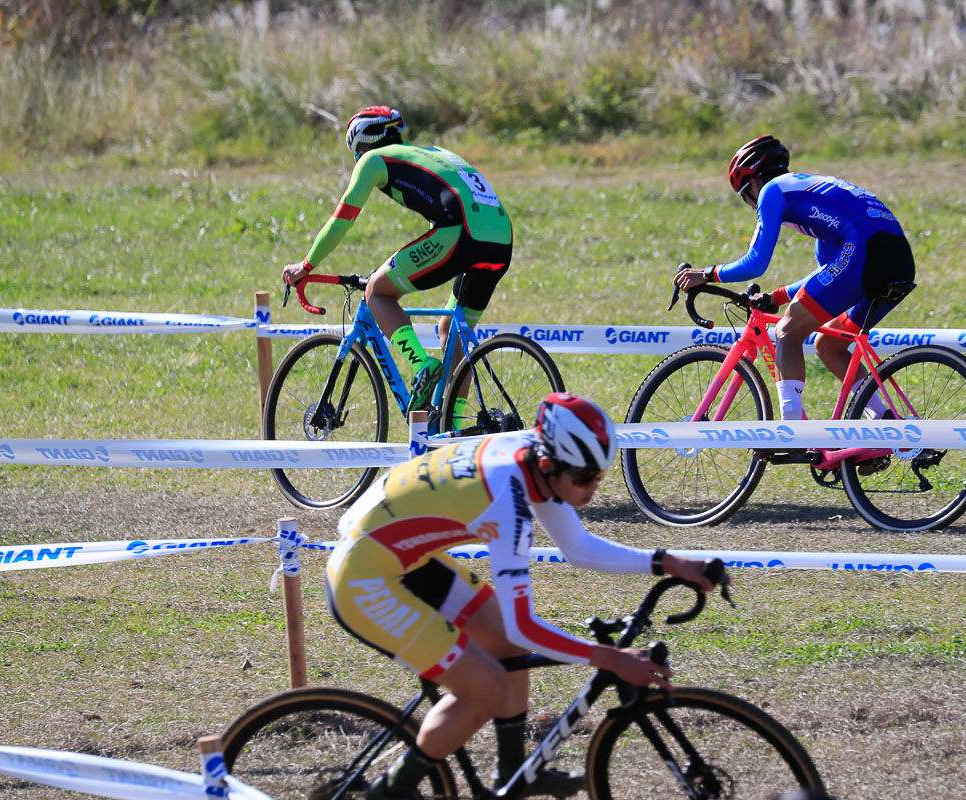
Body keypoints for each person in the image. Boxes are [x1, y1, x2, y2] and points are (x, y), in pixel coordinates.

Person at [325, 392, 725, 800]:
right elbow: (526, 626)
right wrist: (609, 658)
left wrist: (668, 562)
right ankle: (388, 792)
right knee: (489, 689)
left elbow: (578, 547)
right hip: (365, 580)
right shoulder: (507, 501)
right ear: (551, 465)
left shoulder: (528, 455)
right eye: (585, 478)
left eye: (598, 477)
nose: (592, 489)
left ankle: (514, 775)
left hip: (403, 556)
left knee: (506, 646)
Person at [282, 105, 514, 416]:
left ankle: (422, 365)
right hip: (500, 240)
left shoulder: (374, 159)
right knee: (451, 331)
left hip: (460, 232)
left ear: (362, 144)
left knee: (377, 291)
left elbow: (342, 219)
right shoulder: (432, 152)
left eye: (356, 153)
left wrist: (306, 265)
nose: (357, 160)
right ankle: (454, 425)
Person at [674, 135, 916, 422]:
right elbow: (829, 270)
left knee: (787, 332)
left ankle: (792, 431)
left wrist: (706, 274)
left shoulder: (772, 191)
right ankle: (884, 424)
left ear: (753, 182)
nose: (750, 205)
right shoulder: (814, 193)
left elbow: (756, 263)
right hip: (898, 259)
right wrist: (776, 296)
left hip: (865, 252)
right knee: (829, 345)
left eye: (744, 196)